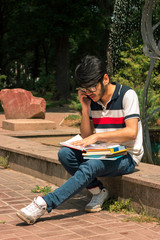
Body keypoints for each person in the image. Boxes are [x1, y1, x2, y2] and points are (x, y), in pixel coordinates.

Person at [16, 55, 144, 224]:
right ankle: (98, 191)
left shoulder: (127, 95)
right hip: (102, 151)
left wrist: (97, 136)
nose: (89, 93)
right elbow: (85, 135)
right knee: (65, 154)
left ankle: (45, 203)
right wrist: (85, 109)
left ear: (105, 79)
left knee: (92, 164)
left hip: (126, 156)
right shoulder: (92, 100)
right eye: (85, 89)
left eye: (92, 88)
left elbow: (131, 133)